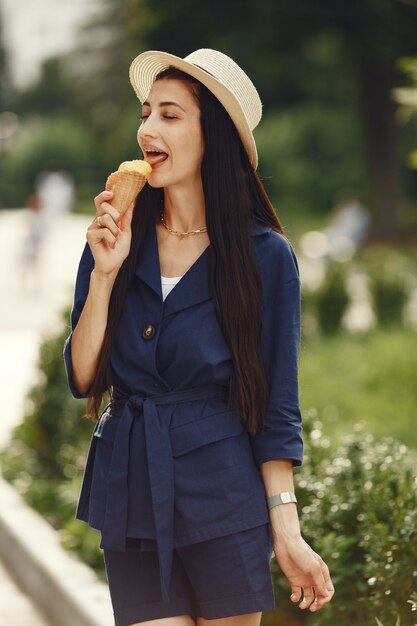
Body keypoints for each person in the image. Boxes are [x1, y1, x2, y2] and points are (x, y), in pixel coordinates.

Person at [64, 48, 334, 626]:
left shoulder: (264, 257)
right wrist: (105, 275)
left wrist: (286, 530)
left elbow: (275, 403)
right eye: (144, 113)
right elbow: (82, 375)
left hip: (224, 498)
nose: (147, 129)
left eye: (169, 114)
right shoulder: (116, 233)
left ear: (212, 134)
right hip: (131, 486)